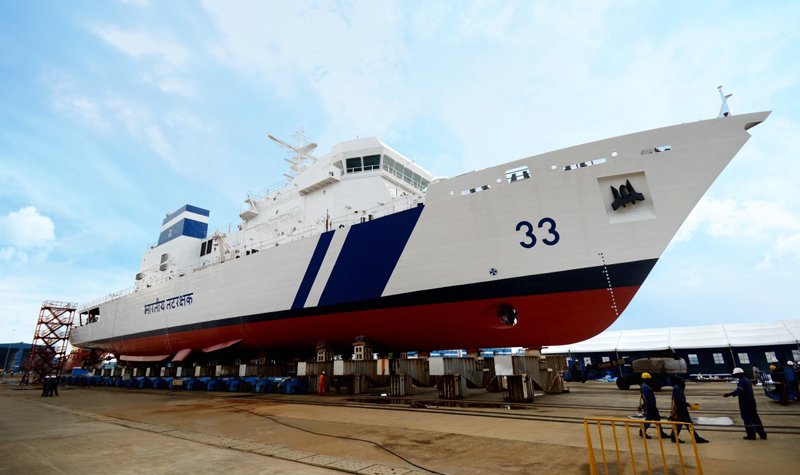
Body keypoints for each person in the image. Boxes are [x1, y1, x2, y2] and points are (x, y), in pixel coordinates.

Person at [724, 367, 767, 440]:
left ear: (739, 374)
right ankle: (762, 434)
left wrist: (729, 394)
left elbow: (739, 391)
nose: (734, 376)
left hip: (745, 402)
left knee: (746, 418)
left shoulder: (742, 381)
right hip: (751, 401)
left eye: (735, 374)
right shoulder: (747, 380)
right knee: (755, 418)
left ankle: (751, 435)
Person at [669, 379, 708, 443]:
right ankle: (674, 437)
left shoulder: (678, 388)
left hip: (682, 409)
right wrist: (683, 407)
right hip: (681, 410)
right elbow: (678, 401)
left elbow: (680, 400)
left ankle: (695, 437)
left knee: (686, 424)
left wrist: (688, 405)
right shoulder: (677, 389)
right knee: (680, 424)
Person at [639, 372, 669, 439]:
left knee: (657, 419)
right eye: (649, 379)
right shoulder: (646, 387)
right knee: (649, 420)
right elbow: (647, 398)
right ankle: (642, 432)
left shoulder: (644, 386)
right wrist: (650, 407)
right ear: (646, 379)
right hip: (651, 407)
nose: (650, 380)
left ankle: (661, 433)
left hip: (651, 406)